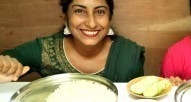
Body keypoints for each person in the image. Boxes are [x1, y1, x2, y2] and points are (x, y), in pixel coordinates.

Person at [0, 0, 145, 83]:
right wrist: (5, 66)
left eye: (100, 12)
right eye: (79, 11)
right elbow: (5, 63)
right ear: (65, 16)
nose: (92, 23)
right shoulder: (45, 49)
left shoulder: (129, 54)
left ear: (110, 17)